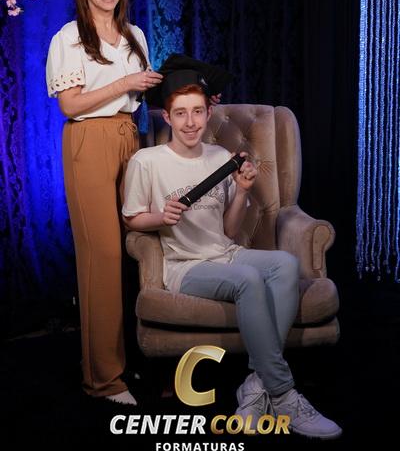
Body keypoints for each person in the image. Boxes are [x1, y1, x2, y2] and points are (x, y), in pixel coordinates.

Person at [121, 55, 342, 439]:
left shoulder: (220, 158)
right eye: (180, 113)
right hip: (185, 266)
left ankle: (256, 384)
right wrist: (160, 217)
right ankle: (283, 393)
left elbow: (228, 229)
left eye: (197, 112)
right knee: (248, 281)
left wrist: (241, 192)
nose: (190, 122)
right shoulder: (147, 161)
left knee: (286, 265)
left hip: (225, 253)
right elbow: (131, 220)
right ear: (167, 117)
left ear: (209, 113)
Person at [45, 0, 163, 405]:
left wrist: (190, 93)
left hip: (129, 136)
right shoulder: (70, 37)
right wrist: (123, 85)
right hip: (89, 140)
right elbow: (71, 104)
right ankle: (103, 379)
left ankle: (126, 356)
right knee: (102, 255)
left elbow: (140, 96)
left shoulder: (135, 35)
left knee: (134, 248)